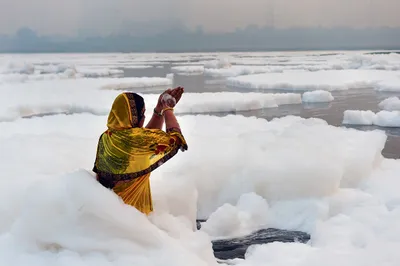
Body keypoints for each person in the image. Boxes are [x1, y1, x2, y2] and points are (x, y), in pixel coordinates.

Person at [92, 87, 188, 215]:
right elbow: (175, 139)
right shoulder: (135, 141)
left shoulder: (107, 137)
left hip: (109, 216)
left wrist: (158, 111)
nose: (143, 119)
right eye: (141, 114)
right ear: (132, 116)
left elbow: (144, 142)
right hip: (134, 219)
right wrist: (168, 109)